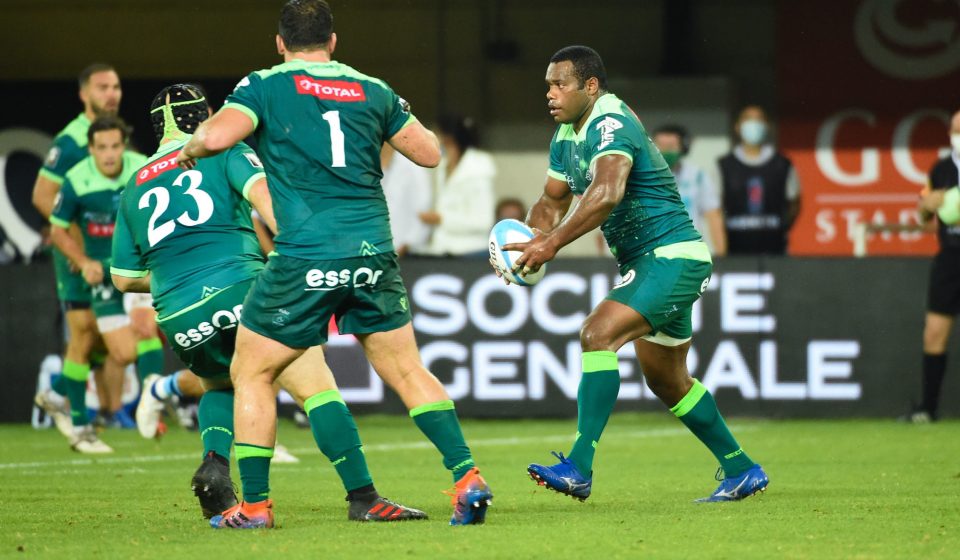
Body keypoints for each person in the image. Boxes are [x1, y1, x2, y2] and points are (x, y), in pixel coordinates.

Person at [176, 0, 492, 529]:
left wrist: (188, 150)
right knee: (407, 369)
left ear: (280, 43)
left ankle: (254, 507)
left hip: (304, 254)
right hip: (372, 253)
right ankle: (467, 476)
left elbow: (214, 137)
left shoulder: (264, 85)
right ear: (334, 41)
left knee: (251, 370)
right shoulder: (372, 87)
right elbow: (432, 153)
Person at [113, 83, 425, 522]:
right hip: (242, 286)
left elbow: (123, 278)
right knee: (315, 384)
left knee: (222, 383)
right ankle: (363, 496)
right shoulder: (222, 150)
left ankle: (215, 463)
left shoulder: (133, 184)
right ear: (206, 116)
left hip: (178, 311)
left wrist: (172, 279)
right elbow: (271, 206)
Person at [501, 45, 767, 503]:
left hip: (671, 255)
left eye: (559, 83)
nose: (549, 93)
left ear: (590, 85)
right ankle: (742, 468)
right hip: (648, 261)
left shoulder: (611, 121)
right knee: (668, 381)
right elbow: (550, 202)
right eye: (547, 84)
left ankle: (579, 466)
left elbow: (606, 192)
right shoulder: (566, 134)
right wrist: (528, 244)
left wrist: (552, 243)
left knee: (596, 334)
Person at [48, 116, 147, 452]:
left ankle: (55, 392)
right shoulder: (76, 179)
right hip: (84, 268)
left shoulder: (141, 168)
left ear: (124, 145)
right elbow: (57, 229)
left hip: (125, 267)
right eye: (101, 147)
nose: (109, 154)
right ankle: (80, 428)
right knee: (86, 335)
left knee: (114, 347)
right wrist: (82, 261)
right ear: (90, 150)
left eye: (115, 146)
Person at [905, 109, 960, 423]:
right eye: (956, 129)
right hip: (950, 257)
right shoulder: (940, 169)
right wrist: (927, 206)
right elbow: (924, 216)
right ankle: (928, 408)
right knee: (934, 334)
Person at [718, 106, 799, 255]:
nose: (753, 124)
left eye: (758, 119)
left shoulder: (782, 164)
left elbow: (794, 204)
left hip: (775, 249)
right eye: (748, 119)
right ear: (737, 127)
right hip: (735, 251)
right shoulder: (724, 165)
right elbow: (717, 206)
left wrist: (780, 226)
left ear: (767, 126)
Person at [420, 114, 496, 256]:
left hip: (471, 253)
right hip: (443, 250)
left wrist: (441, 219)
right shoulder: (442, 166)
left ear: (448, 138)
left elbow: (483, 220)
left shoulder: (478, 167)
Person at [652, 124, 726, 256]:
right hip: (653, 254)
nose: (665, 151)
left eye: (671, 146)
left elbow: (713, 216)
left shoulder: (698, 177)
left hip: (690, 253)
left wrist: (721, 257)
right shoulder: (641, 177)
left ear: (682, 148)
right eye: (661, 146)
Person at [381, 143, 432, 256]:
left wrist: (407, 245)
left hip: (406, 254)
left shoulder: (413, 166)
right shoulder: (363, 166)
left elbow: (423, 212)